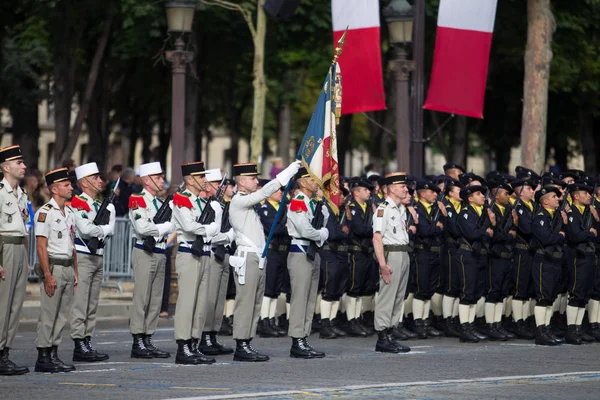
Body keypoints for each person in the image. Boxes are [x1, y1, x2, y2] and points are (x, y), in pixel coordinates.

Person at [228, 160, 300, 362]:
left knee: (255, 303)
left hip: (257, 257)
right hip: (247, 257)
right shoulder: (239, 200)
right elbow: (263, 193)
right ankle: (241, 344)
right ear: (241, 182)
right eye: (252, 178)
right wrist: (285, 174)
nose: (256, 180)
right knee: (246, 302)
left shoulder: (248, 203)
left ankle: (247, 342)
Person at [171, 161, 221, 365]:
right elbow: (189, 226)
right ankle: (183, 346)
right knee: (187, 302)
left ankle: (194, 344)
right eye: (201, 177)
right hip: (189, 253)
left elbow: (217, 226)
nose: (204, 180)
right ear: (190, 180)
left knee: (201, 303)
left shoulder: (203, 203)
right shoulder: (182, 200)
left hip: (205, 254)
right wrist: (208, 229)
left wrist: (210, 227)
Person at [34, 167, 78, 373]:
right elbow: (41, 246)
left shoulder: (69, 212)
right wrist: (47, 274)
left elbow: (72, 244)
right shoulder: (45, 213)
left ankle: (54, 352)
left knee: (62, 315)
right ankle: (43, 355)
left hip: (68, 267)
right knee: (49, 313)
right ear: (54, 189)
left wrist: (76, 272)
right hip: (54, 267)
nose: (71, 187)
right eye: (66, 185)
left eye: (70, 184)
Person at [69, 162, 114, 362]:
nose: (100, 181)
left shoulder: (98, 204)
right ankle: (79, 342)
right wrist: (104, 229)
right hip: (84, 255)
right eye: (95, 178)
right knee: (81, 301)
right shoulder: (79, 203)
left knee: (92, 302)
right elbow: (86, 230)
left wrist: (104, 230)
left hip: (98, 254)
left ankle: (87, 340)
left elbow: (111, 229)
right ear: (83, 183)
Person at [128, 162, 173, 359]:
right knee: (142, 298)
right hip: (144, 252)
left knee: (155, 299)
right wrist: (165, 228)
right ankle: (137, 340)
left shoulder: (158, 202)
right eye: (158, 177)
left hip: (161, 251)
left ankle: (148, 338)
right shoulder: (138, 200)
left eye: (162, 177)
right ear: (146, 180)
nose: (162, 180)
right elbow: (142, 228)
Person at [286, 166, 329, 358]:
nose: (315, 183)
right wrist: (322, 234)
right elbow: (305, 230)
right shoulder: (298, 203)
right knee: (300, 298)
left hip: (313, 252)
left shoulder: (313, 203)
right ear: (302, 183)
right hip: (301, 251)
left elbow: (324, 219)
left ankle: (304, 337)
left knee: (311, 298)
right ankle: (297, 339)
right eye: (311, 180)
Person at [372, 172, 413, 353]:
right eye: (402, 186)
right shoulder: (384, 209)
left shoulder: (400, 209)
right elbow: (377, 238)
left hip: (403, 253)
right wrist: (382, 264)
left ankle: (391, 334)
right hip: (392, 255)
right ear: (391, 189)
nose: (406, 189)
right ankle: (382, 337)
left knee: (398, 297)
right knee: (387, 296)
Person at [0, 145, 30, 375]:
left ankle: (5, 353)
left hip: (20, 248)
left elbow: (24, 228)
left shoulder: (22, 195)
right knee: (3, 304)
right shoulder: (0, 192)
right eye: (18, 162)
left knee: (15, 305)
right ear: (5, 166)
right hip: (5, 249)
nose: (24, 166)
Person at [199, 168, 235, 355]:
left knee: (220, 298)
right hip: (212, 252)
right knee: (210, 298)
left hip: (224, 254)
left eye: (223, 184)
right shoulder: (205, 204)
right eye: (216, 184)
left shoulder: (220, 205)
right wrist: (228, 237)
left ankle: (213, 335)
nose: (221, 188)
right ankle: (204, 336)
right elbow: (210, 234)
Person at [456, 185, 496, 343]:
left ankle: (471, 325)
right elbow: (471, 233)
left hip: (479, 254)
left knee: (475, 292)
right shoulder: (466, 213)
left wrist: (492, 223)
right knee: (467, 291)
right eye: (478, 194)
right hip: (467, 254)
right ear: (470, 198)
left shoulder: (484, 212)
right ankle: (464, 328)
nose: (482, 196)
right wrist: (486, 232)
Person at [530, 186, 566, 346]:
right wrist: (559, 236)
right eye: (553, 196)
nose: (557, 199)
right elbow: (546, 238)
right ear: (544, 201)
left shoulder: (555, 216)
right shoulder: (540, 217)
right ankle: (541, 331)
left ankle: (547, 327)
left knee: (550, 296)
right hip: (543, 259)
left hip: (554, 259)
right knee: (543, 296)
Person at [564, 183, 598, 344]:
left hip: (589, 255)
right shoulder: (573, 213)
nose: (589, 196)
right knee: (576, 293)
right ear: (576, 196)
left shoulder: (588, 212)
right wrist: (589, 233)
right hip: (578, 256)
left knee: (585, 294)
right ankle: (571, 329)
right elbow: (575, 235)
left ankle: (579, 327)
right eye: (585, 193)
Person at [412, 180, 445, 338]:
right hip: (422, 253)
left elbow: (447, 227)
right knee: (421, 289)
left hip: (434, 252)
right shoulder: (418, 209)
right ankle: (418, 323)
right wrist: (437, 228)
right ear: (423, 194)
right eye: (432, 192)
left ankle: (425, 322)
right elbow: (424, 230)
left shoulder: (436, 209)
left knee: (429, 290)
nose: (435, 195)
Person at [257, 184, 290, 338]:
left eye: (282, 190)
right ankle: (264, 321)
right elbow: (273, 229)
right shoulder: (265, 209)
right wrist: (286, 227)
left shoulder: (283, 208)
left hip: (282, 251)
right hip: (271, 250)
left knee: (276, 289)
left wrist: (284, 226)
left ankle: (271, 320)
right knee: (268, 288)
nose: (281, 193)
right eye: (277, 190)